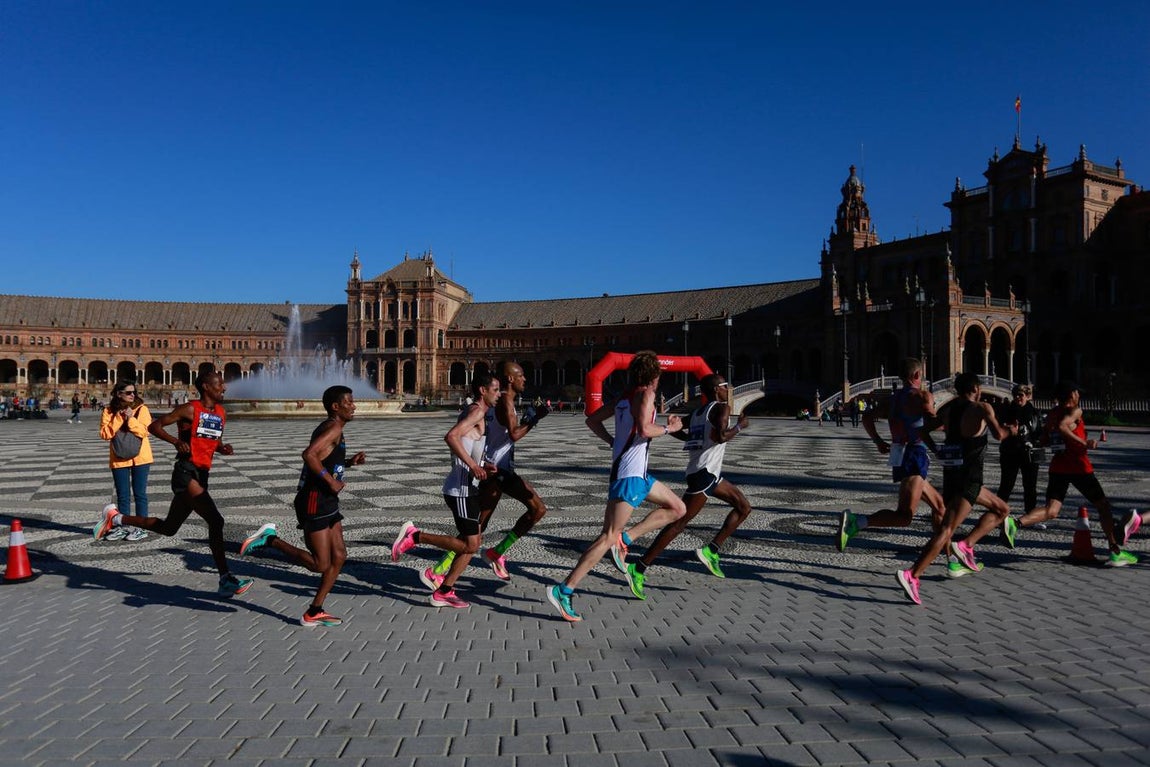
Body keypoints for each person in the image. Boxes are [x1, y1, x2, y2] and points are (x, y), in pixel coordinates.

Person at [544, 351, 686, 622]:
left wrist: (613, 441)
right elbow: (644, 429)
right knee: (607, 536)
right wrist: (670, 429)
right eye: (658, 373)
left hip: (637, 474)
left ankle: (627, 539)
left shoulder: (623, 398)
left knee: (678, 508)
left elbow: (592, 420)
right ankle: (565, 589)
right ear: (653, 375)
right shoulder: (646, 394)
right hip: (630, 476)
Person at [92, 371, 254, 597]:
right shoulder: (189, 409)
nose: (224, 388)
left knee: (169, 528)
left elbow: (212, 439)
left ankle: (116, 518)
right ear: (206, 387)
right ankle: (225, 578)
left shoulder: (220, 412)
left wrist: (222, 448)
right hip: (185, 473)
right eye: (219, 384)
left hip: (202, 474)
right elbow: (155, 426)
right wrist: (176, 442)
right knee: (216, 521)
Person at [239, 386, 366, 627]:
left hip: (327, 500)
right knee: (320, 564)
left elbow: (324, 457)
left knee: (339, 556)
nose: (354, 406)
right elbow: (309, 455)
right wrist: (331, 481)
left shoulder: (334, 428)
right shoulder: (333, 427)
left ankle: (314, 611)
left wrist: (348, 463)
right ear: (335, 407)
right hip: (314, 500)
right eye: (349, 402)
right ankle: (270, 540)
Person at [621, 373, 751, 599]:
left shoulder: (698, 413)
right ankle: (639, 567)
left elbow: (680, 433)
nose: (727, 389)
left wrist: (674, 427)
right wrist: (740, 426)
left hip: (704, 472)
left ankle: (711, 550)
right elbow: (721, 437)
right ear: (716, 389)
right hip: (704, 474)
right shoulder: (722, 408)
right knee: (678, 523)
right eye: (724, 385)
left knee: (744, 507)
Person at [895, 372, 1015, 604]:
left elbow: (922, 431)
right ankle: (913, 574)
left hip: (952, 476)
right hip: (970, 477)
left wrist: (937, 451)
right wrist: (1013, 431)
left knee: (1002, 509)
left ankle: (966, 546)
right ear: (976, 389)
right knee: (947, 529)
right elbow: (999, 435)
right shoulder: (982, 408)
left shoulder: (948, 411)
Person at [428, 360, 549, 584]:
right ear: (510, 379)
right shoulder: (505, 401)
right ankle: (494, 553)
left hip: (491, 469)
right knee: (537, 509)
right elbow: (514, 434)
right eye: (521, 375)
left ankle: (440, 568)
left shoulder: (495, 401)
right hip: (498, 470)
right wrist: (534, 419)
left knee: (478, 526)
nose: (525, 379)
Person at [391, 373, 502, 608]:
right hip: (460, 490)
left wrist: (482, 466)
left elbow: (465, 446)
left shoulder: (476, 412)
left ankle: (444, 590)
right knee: (471, 545)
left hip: (467, 487)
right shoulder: (476, 412)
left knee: (473, 542)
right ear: (482, 390)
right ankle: (415, 536)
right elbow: (451, 437)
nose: (499, 394)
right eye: (495, 390)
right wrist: (473, 466)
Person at [1013, 380, 1138, 567]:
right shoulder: (1075, 411)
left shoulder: (1053, 414)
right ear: (1071, 395)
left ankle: (1014, 524)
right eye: (1077, 392)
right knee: (1103, 506)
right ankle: (1115, 551)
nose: (1079, 395)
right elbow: (1063, 426)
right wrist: (1084, 442)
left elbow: (1045, 439)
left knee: (1051, 510)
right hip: (1079, 467)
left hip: (1059, 467)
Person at [840, 358, 945, 551]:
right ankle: (856, 522)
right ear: (917, 374)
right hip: (914, 455)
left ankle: (948, 556)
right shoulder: (922, 396)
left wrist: (878, 442)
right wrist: (952, 422)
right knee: (904, 517)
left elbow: (867, 418)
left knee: (939, 507)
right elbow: (932, 422)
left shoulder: (892, 399)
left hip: (899, 454)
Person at [98, 380, 153, 542]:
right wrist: (118, 417)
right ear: (118, 394)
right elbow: (105, 434)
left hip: (141, 458)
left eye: (134, 392)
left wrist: (131, 419)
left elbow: (145, 432)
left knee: (140, 494)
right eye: (128, 392)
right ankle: (123, 527)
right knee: (122, 495)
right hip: (119, 458)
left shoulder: (141, 409)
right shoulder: (109, 411)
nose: (132, 395)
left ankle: (141, 527)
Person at [997, 384, 1042, 520]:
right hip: (1010, 452)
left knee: (1030, 486)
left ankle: (1030, 515)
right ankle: (997, 514)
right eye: (1015, 395)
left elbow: (1039, 433)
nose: (1017, 397)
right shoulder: (1007, 410)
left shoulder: (1034, 412)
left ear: (1027, 396)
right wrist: (1008, 428)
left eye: (1021, 395)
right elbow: (999, 429)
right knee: (1006, 484)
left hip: (1029, 453)